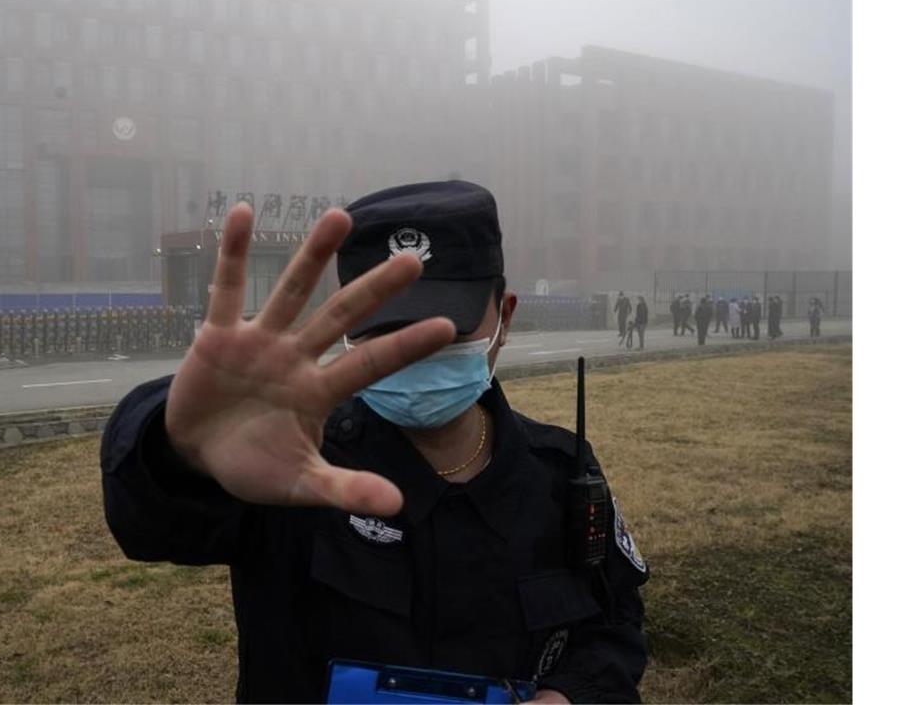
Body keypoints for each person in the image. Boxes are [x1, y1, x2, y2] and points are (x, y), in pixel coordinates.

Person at [100, 182, 649, 703]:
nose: (411, 352)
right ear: (348, 329)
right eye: (384, 327)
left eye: (444, 326)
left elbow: (614, 623)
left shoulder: (559, 473)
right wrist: (181, 451)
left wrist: (569, 694)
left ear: (503, 316)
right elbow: (148, 523)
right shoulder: (292, 464)